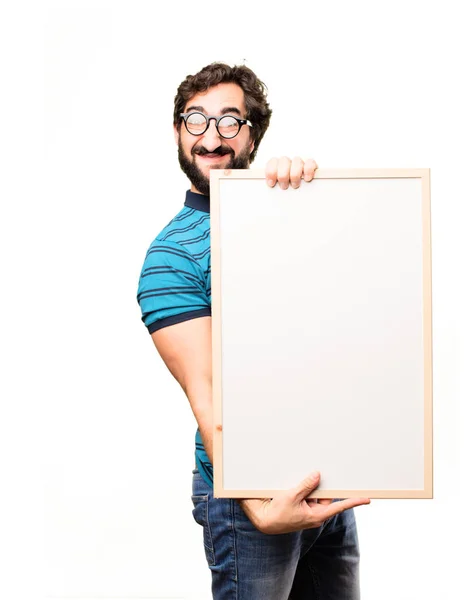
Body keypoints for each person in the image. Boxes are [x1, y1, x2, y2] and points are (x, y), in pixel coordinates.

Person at [137, 62, 370, 599]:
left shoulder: (290, 213)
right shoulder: (172, 258)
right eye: (195, 120)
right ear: (177, 132)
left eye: (229, 121)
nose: (211, 136)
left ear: (253, 135)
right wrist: (259, 508)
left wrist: (316, 192)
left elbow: (349, 302)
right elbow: (209, 394)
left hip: (322, 476)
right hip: (249, 494)